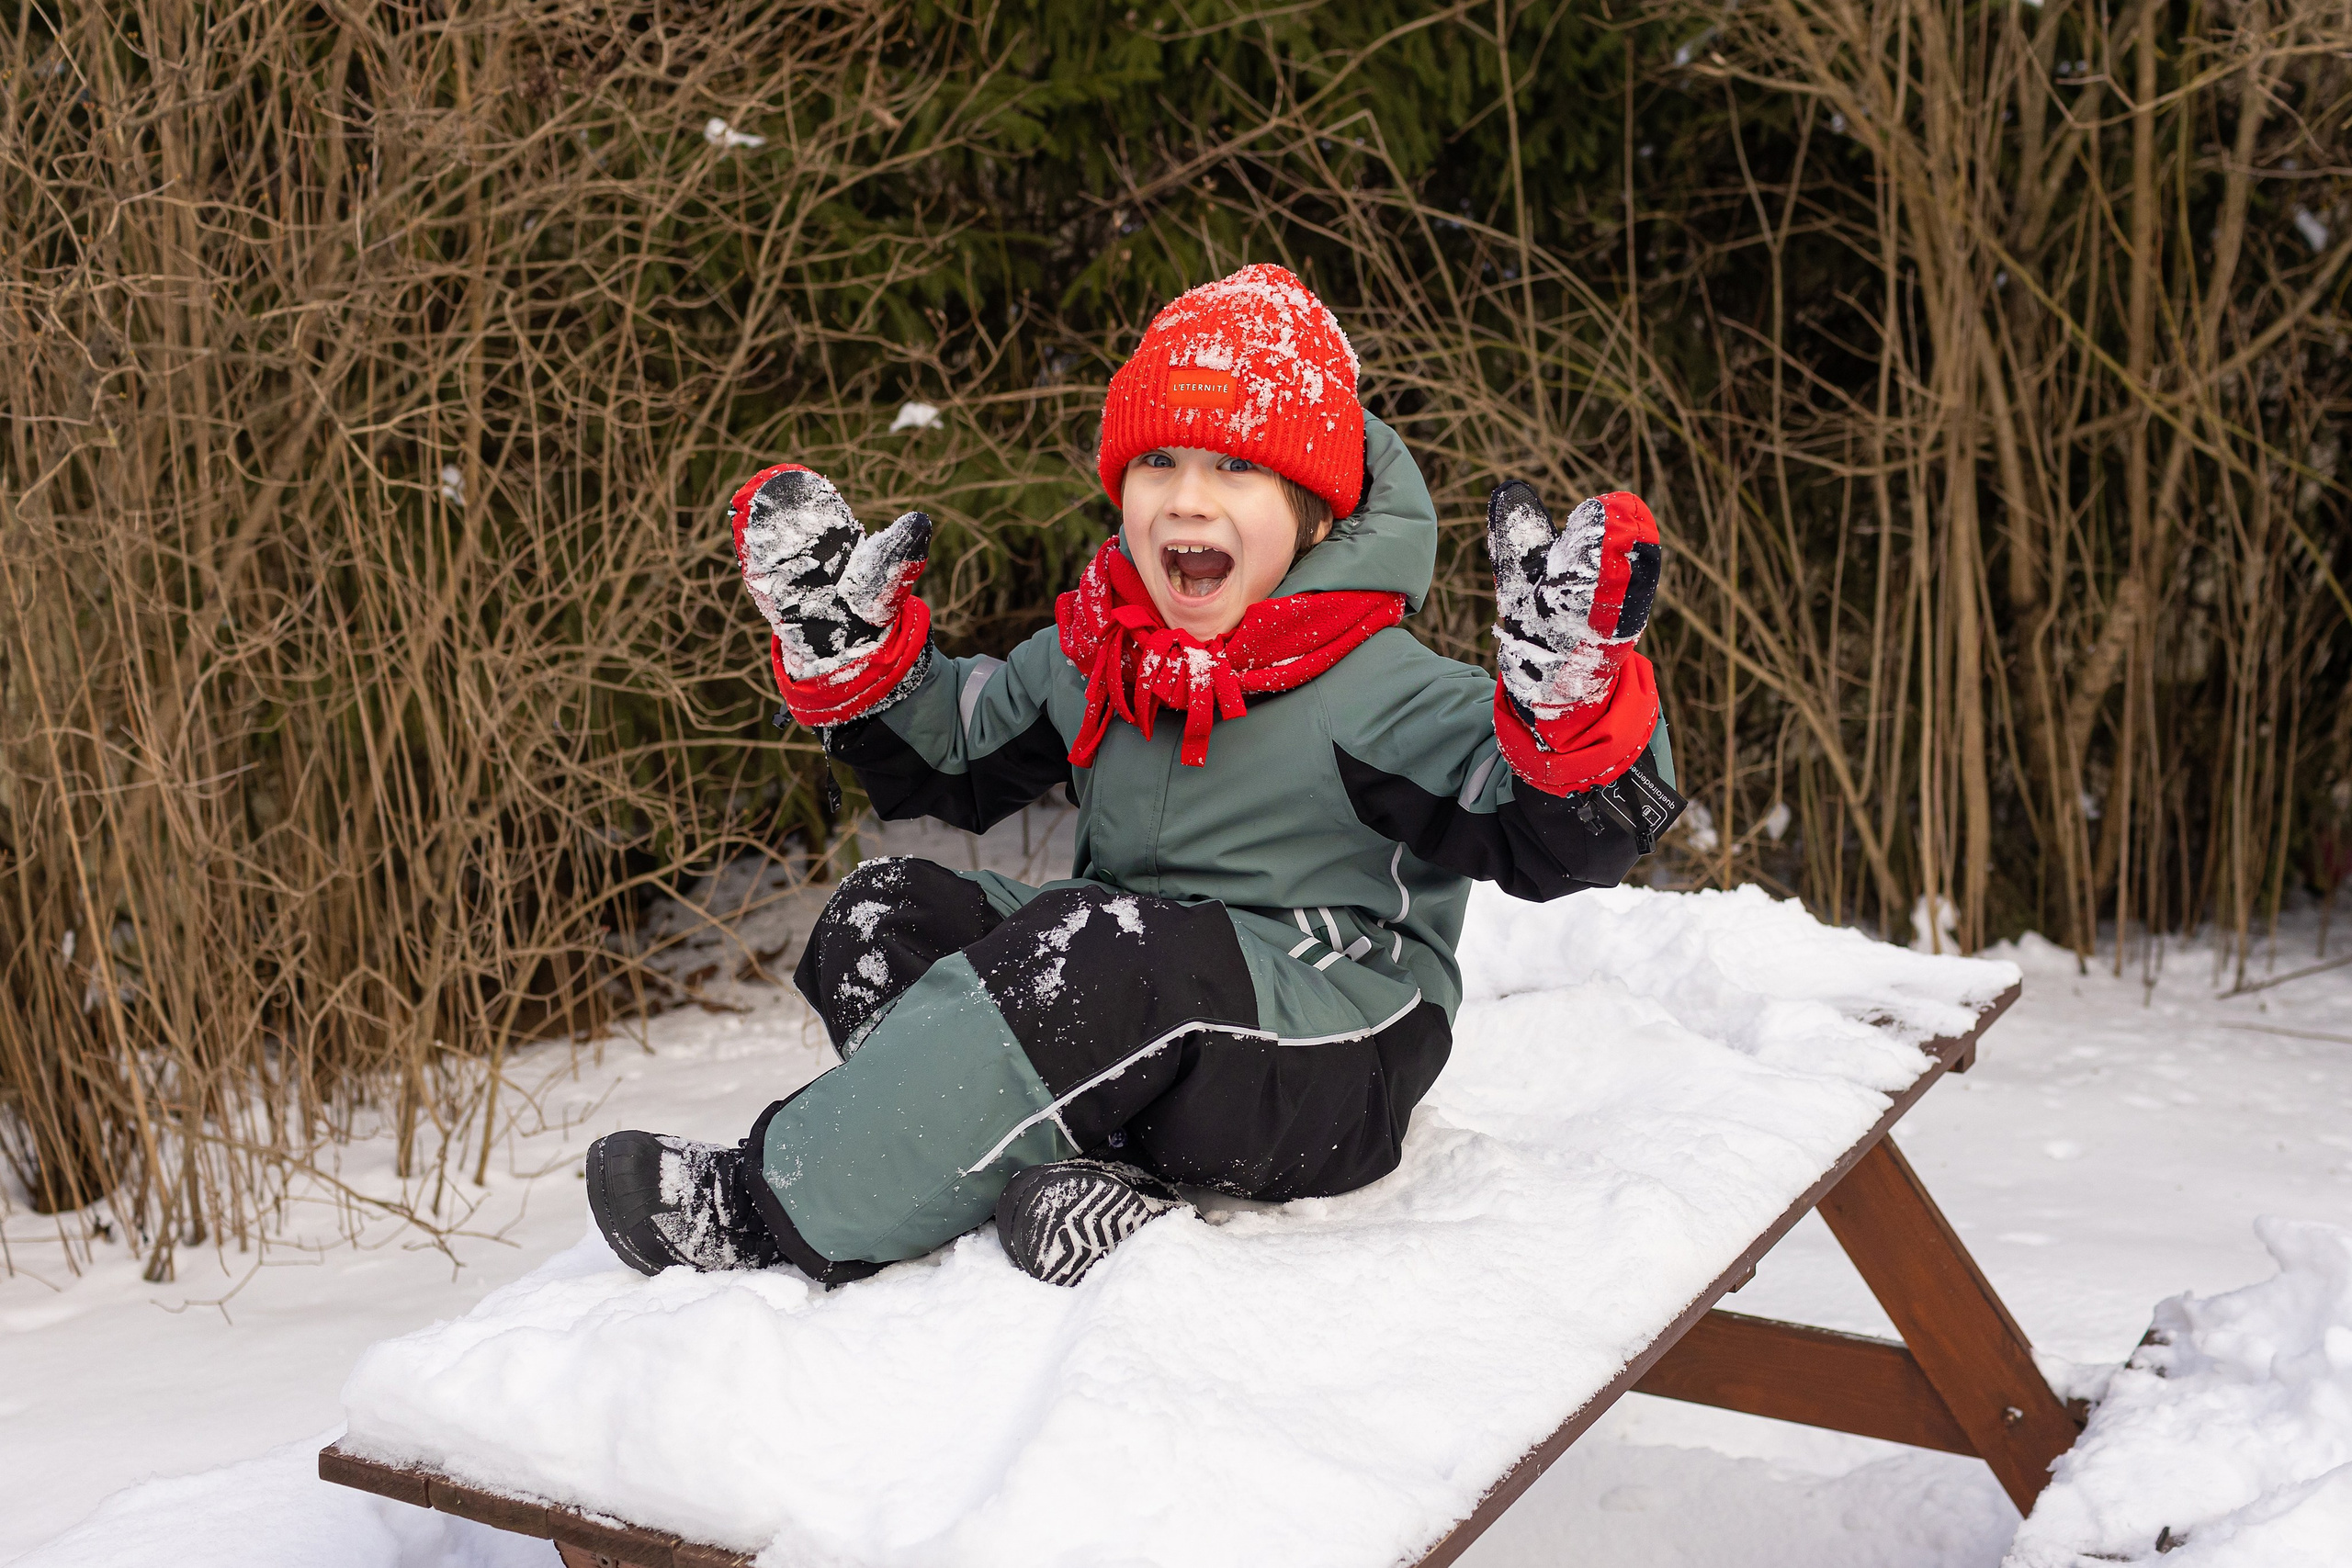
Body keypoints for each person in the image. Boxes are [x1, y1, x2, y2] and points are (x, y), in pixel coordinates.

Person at [585, 264, 1686, 1288]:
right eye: (1158, 462)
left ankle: (768, 1208)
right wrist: (863, 666)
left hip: (1329, 1062)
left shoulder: (1377, 689)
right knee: (883, 915)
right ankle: (1048, 1177)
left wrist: (1569, 705)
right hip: (1132, 1021)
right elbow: (958, 753)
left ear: (1312, 513)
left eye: (1237, 466)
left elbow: (1562, 829)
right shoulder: (1099, 655)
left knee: (1103, 958)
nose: (1187, 499)